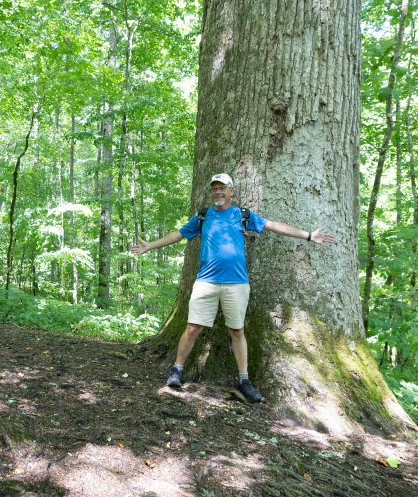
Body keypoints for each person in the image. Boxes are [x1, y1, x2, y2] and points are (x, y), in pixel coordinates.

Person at [130, 173, 335, 403]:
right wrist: (150, 246)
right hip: (206, 282)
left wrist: (308, 235)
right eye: (214, 189)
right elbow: (178, 234)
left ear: (231, 191)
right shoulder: (203, 216)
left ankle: (244, 380)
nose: (218, 192)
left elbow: (274, 226)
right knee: (192, 328)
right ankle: (177, 370)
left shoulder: (243, 215)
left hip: (236, 284)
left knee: (237, 331)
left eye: (222, 188)